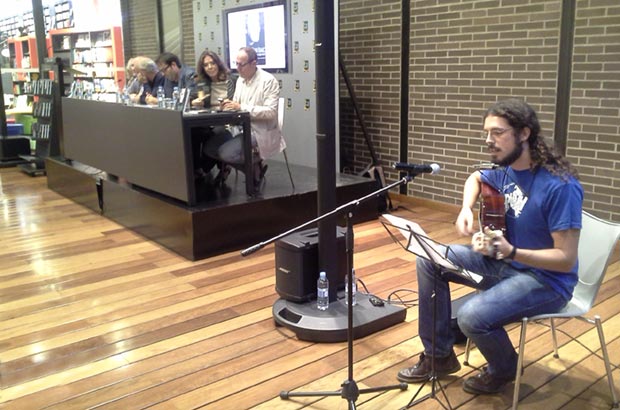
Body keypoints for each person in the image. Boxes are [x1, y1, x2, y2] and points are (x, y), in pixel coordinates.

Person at [396, 99, 583, 395]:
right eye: (486, 133)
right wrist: (466, 208)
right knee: (429, 258)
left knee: (471, 317)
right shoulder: (507, 170)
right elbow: (476, 176)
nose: (488, 141)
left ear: (524, 133)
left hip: (547, 281)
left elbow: (565, 259)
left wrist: (510, 251)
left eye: (497, 133)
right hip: (505, 265)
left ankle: (504, 369)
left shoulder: (561, 186)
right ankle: (439, 356)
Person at [204, 47, 285, 187]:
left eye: (242, 64)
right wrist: (227, 106)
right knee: (209, 148)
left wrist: (240, 107)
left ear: (254, 63)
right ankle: (253, 170)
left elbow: (271, 112)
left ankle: (253, 169)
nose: (238, 68)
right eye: (236, 64)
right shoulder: (240, 81)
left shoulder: (268, 81)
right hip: (241, 128)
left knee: (225, 153)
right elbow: (236, 105)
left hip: (260, 130)